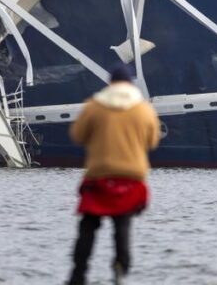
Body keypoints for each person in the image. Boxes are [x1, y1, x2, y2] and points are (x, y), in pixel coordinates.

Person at [67, 64, 161, 285]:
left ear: (110, 83)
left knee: (88, 226)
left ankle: (78, 274)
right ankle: (120, 268)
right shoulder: (143, 109)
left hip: (99, 176)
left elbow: (78, 135)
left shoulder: (94, 106)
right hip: (132, 178)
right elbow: (153, 141)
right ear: (130, 84)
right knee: (122, 226)